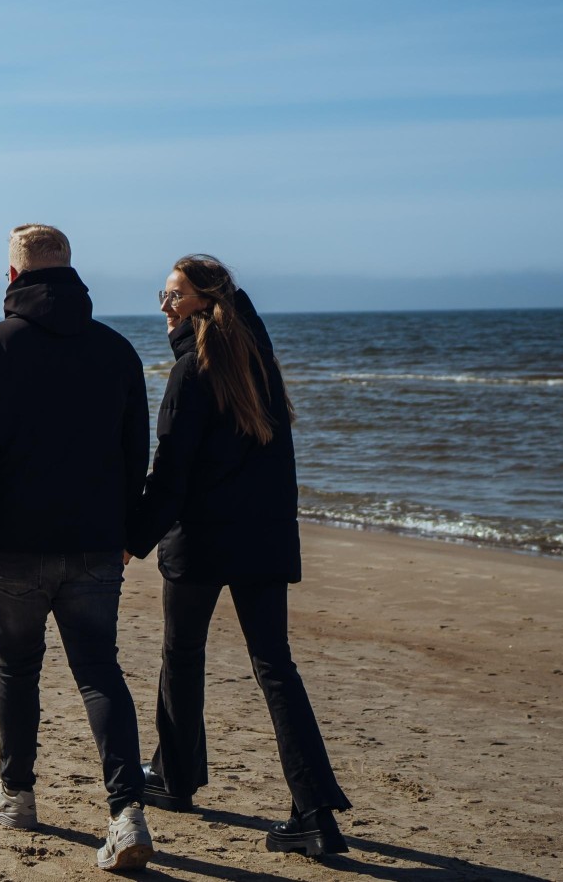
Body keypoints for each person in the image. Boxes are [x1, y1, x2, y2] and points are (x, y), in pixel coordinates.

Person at [0, 224, 156, 872]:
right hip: (96, 544)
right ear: (70, 271)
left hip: (14, 547)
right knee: (99, 671)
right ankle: (127, 812)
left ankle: (17, 795)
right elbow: (136, 453)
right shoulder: (116, 350)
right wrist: (130, 534)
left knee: (17, 669)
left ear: (12, 276)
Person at [133, 254, 352, 857]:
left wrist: (133, 538)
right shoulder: (260, 365)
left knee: (182, 655)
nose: (164, 305)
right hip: (262, 540)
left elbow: (170, 473)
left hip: (202, 540)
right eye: (164, 294)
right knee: (274, 666)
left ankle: (177, 781)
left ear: (205, 302)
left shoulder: (192, 371)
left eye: (174, 295)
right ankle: (315, 813)